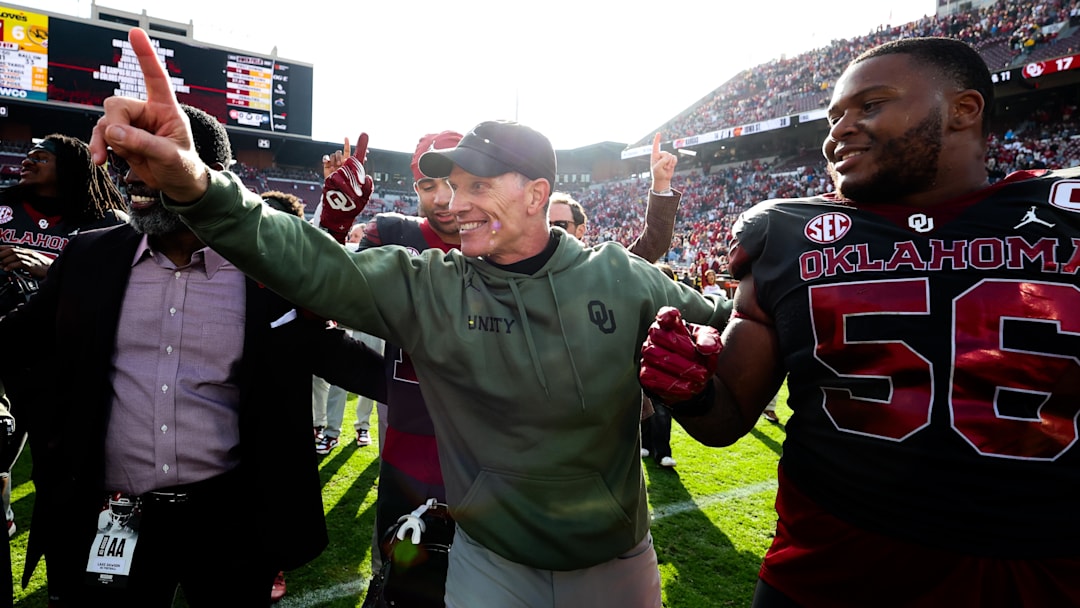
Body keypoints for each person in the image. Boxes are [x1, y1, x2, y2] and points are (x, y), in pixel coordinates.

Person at [90, 28, 729, 607]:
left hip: (616, 563)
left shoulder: (623, 277)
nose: (456, 204)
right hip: (491, 563)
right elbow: (307, 262)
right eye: (451, 187)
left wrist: (705, 359)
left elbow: (733, 332)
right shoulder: (429, 285)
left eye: (478, 186)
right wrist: (196, 183)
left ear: (537, 194)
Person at [639, 37, 1080, 607]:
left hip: (1042, 575)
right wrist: (693, 390)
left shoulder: (1064, 215)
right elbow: (725, 420)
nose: (838, 131)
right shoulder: (787, 233)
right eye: (834, 116)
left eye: (871, 105)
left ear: (965, 110)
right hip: (829, 572)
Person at [0, 103, 385, 607]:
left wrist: (445, 384)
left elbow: (330, 349)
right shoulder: (91, 255)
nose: (132, 178)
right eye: (127, 161)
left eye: (153, 161)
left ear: (208, 177)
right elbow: (16, 341)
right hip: (107, 512)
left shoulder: (266, 265)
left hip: (232, 521)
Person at [0, 134, 128, 545]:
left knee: (56, 463)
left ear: (70, 167)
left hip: (58, 354)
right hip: (4, 335)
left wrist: (49, 268)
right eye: (28, 153)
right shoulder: (3, 206)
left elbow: (116, 284)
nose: (28, 161)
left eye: (41, 157)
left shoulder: (102, 220)